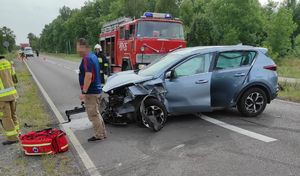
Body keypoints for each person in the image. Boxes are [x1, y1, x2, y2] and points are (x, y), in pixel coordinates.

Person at [76, 38, 107, 142]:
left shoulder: (87, 58)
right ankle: (103, 133)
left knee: (93, 114)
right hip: (96, 90)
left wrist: (84, 92)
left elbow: (88, 76)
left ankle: (99, 135)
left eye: (78, 47)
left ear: (83, 47)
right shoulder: (93, 56)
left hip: (91, 92)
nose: (77, 50)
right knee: (96, 113)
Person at [0, 55, 19, 145]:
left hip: (2, 97)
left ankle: (12, 138)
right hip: (12, 94)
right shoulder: (8, 62)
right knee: (13, 115)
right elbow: (15, 79)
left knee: (6, 117)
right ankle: (17, 134)